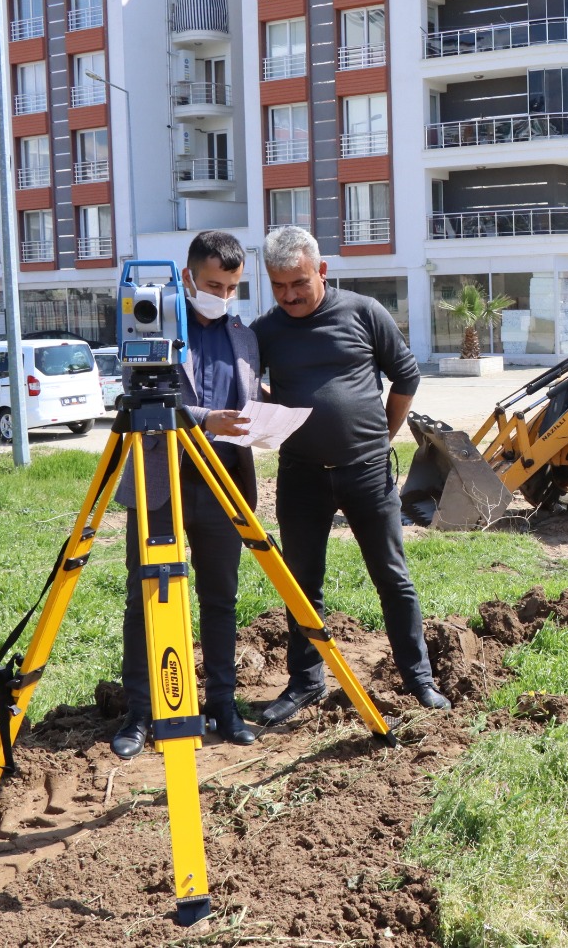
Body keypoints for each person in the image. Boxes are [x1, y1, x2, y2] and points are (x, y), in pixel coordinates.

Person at [252, 226, 449, 724]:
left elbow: (406, 375)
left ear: (321, 270)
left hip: (367, 472)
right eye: (279, 286)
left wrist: (384, 433)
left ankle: (418, 679)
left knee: (392, 577)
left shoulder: (363, 312)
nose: (290, 295)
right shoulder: (266, 331)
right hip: (300, 477)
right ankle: (305, 682)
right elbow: (248, 385)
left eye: (298, 282)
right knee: (302, 584)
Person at [112, 231, 259, 759]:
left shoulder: (243, 335)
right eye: (214, 284)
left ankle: (223, 703)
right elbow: (136, 391)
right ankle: (141, 711)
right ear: (188, 277)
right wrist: (204, 419)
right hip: (161, 485)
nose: (222, 296)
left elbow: (245, 392)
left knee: (220, 599)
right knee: (144, 599)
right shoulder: (150, 317)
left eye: (233, 287)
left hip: (223, 485)